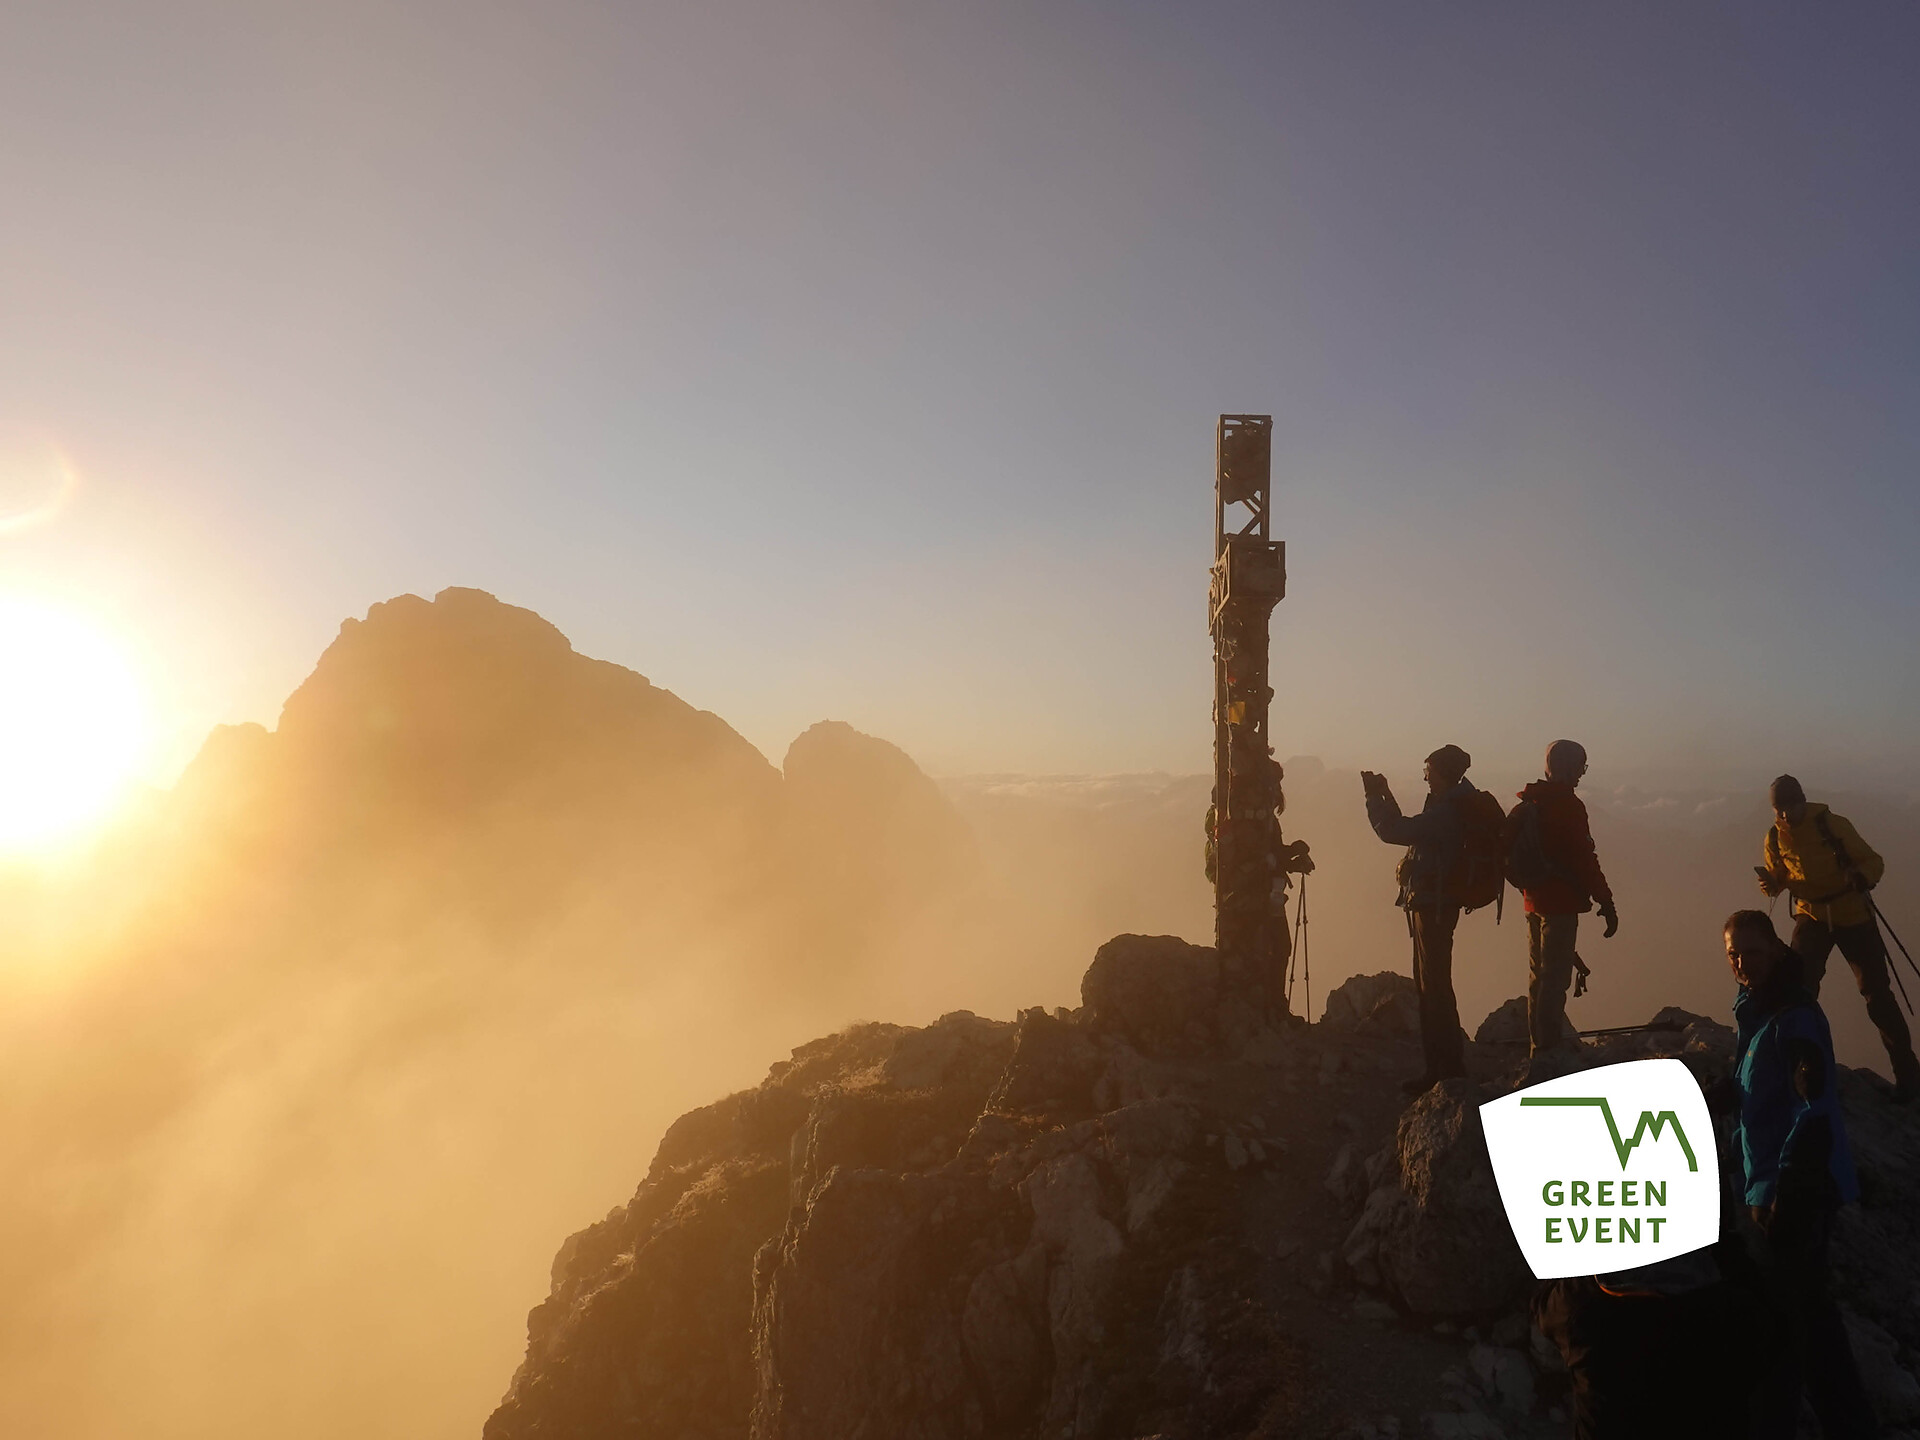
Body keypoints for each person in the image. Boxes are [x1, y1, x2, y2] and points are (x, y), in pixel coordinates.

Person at [1722, 909, 1876, 1439]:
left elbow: (1812, 1105)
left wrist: (1789, 1191)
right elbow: (1762, 1092)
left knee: (1801, 1328)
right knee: (1795, 1324)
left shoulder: (1795, 1016)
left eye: (1752, 951)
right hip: (1772, 1191)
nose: (1743, 963)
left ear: (1776, 949)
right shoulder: (1759, 1012)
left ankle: (1842, 1424)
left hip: (1794, 1194)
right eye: (1733, 955)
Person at [1757, 774, 1920, 1102]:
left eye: (1791, 806)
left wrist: (1864, 877)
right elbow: (1780, 874)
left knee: (1877, 996)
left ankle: (1910, 1079)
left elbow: (1873, 861)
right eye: (1780, 809)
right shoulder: (1775, 838)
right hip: (1813, 915)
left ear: (1803, 800)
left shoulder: (1831, 825)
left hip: (1851, 913)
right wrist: (1772, 884)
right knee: (1799, 991)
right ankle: (1803, 1070)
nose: (1786, 814)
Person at [1362, 744, 1479, 1092]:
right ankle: (1441, 1067)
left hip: (1434, 907)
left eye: (1428, 769)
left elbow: (1394, 832)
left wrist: (1374, 799)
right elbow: (1410, 830)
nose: (1425, 775)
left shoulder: (1447, 812)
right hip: (1435, 904)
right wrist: (1386, 794)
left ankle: (1446, 1070)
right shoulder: (1449, 805)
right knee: (1432, 986)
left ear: (1442, 772)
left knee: (1435, 988)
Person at [1510, 740, 1619, 1060]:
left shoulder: (1530, 801)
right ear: (1569, 767)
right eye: (1580, 768)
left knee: (1537, 976)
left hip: (1532, 900)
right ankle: (1547, 1050)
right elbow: (1586, 858)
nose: (1581, 775)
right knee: (1555, 979)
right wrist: (1606, 902)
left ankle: (1537, 1045)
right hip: (1559, 904)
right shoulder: (1568, 806)